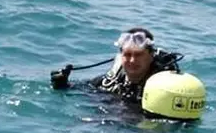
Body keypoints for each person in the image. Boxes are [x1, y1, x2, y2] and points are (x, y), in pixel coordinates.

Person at [50, 27, 188, 115]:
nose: (132, 61)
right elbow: (87, 89)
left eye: (138, 55)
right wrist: (63, 84)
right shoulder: (115, 78)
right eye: (127, 55)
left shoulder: (165, 84)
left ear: (151, 56)